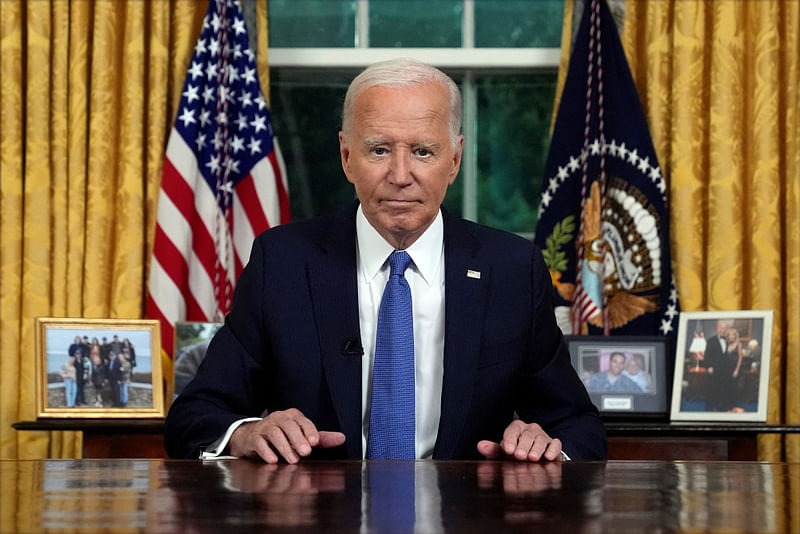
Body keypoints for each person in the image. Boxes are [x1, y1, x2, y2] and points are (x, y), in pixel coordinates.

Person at [164, 58, 606, 463]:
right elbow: (197, 415)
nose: (400, 175)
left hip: (468, 516)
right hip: (317, 517)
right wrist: (246, 433)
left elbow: (578, 427)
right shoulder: (282, 262)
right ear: (346, 156)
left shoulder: (513, 268)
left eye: (423, 152)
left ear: (454, 160)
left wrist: (546, 447)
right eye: (378, 150)